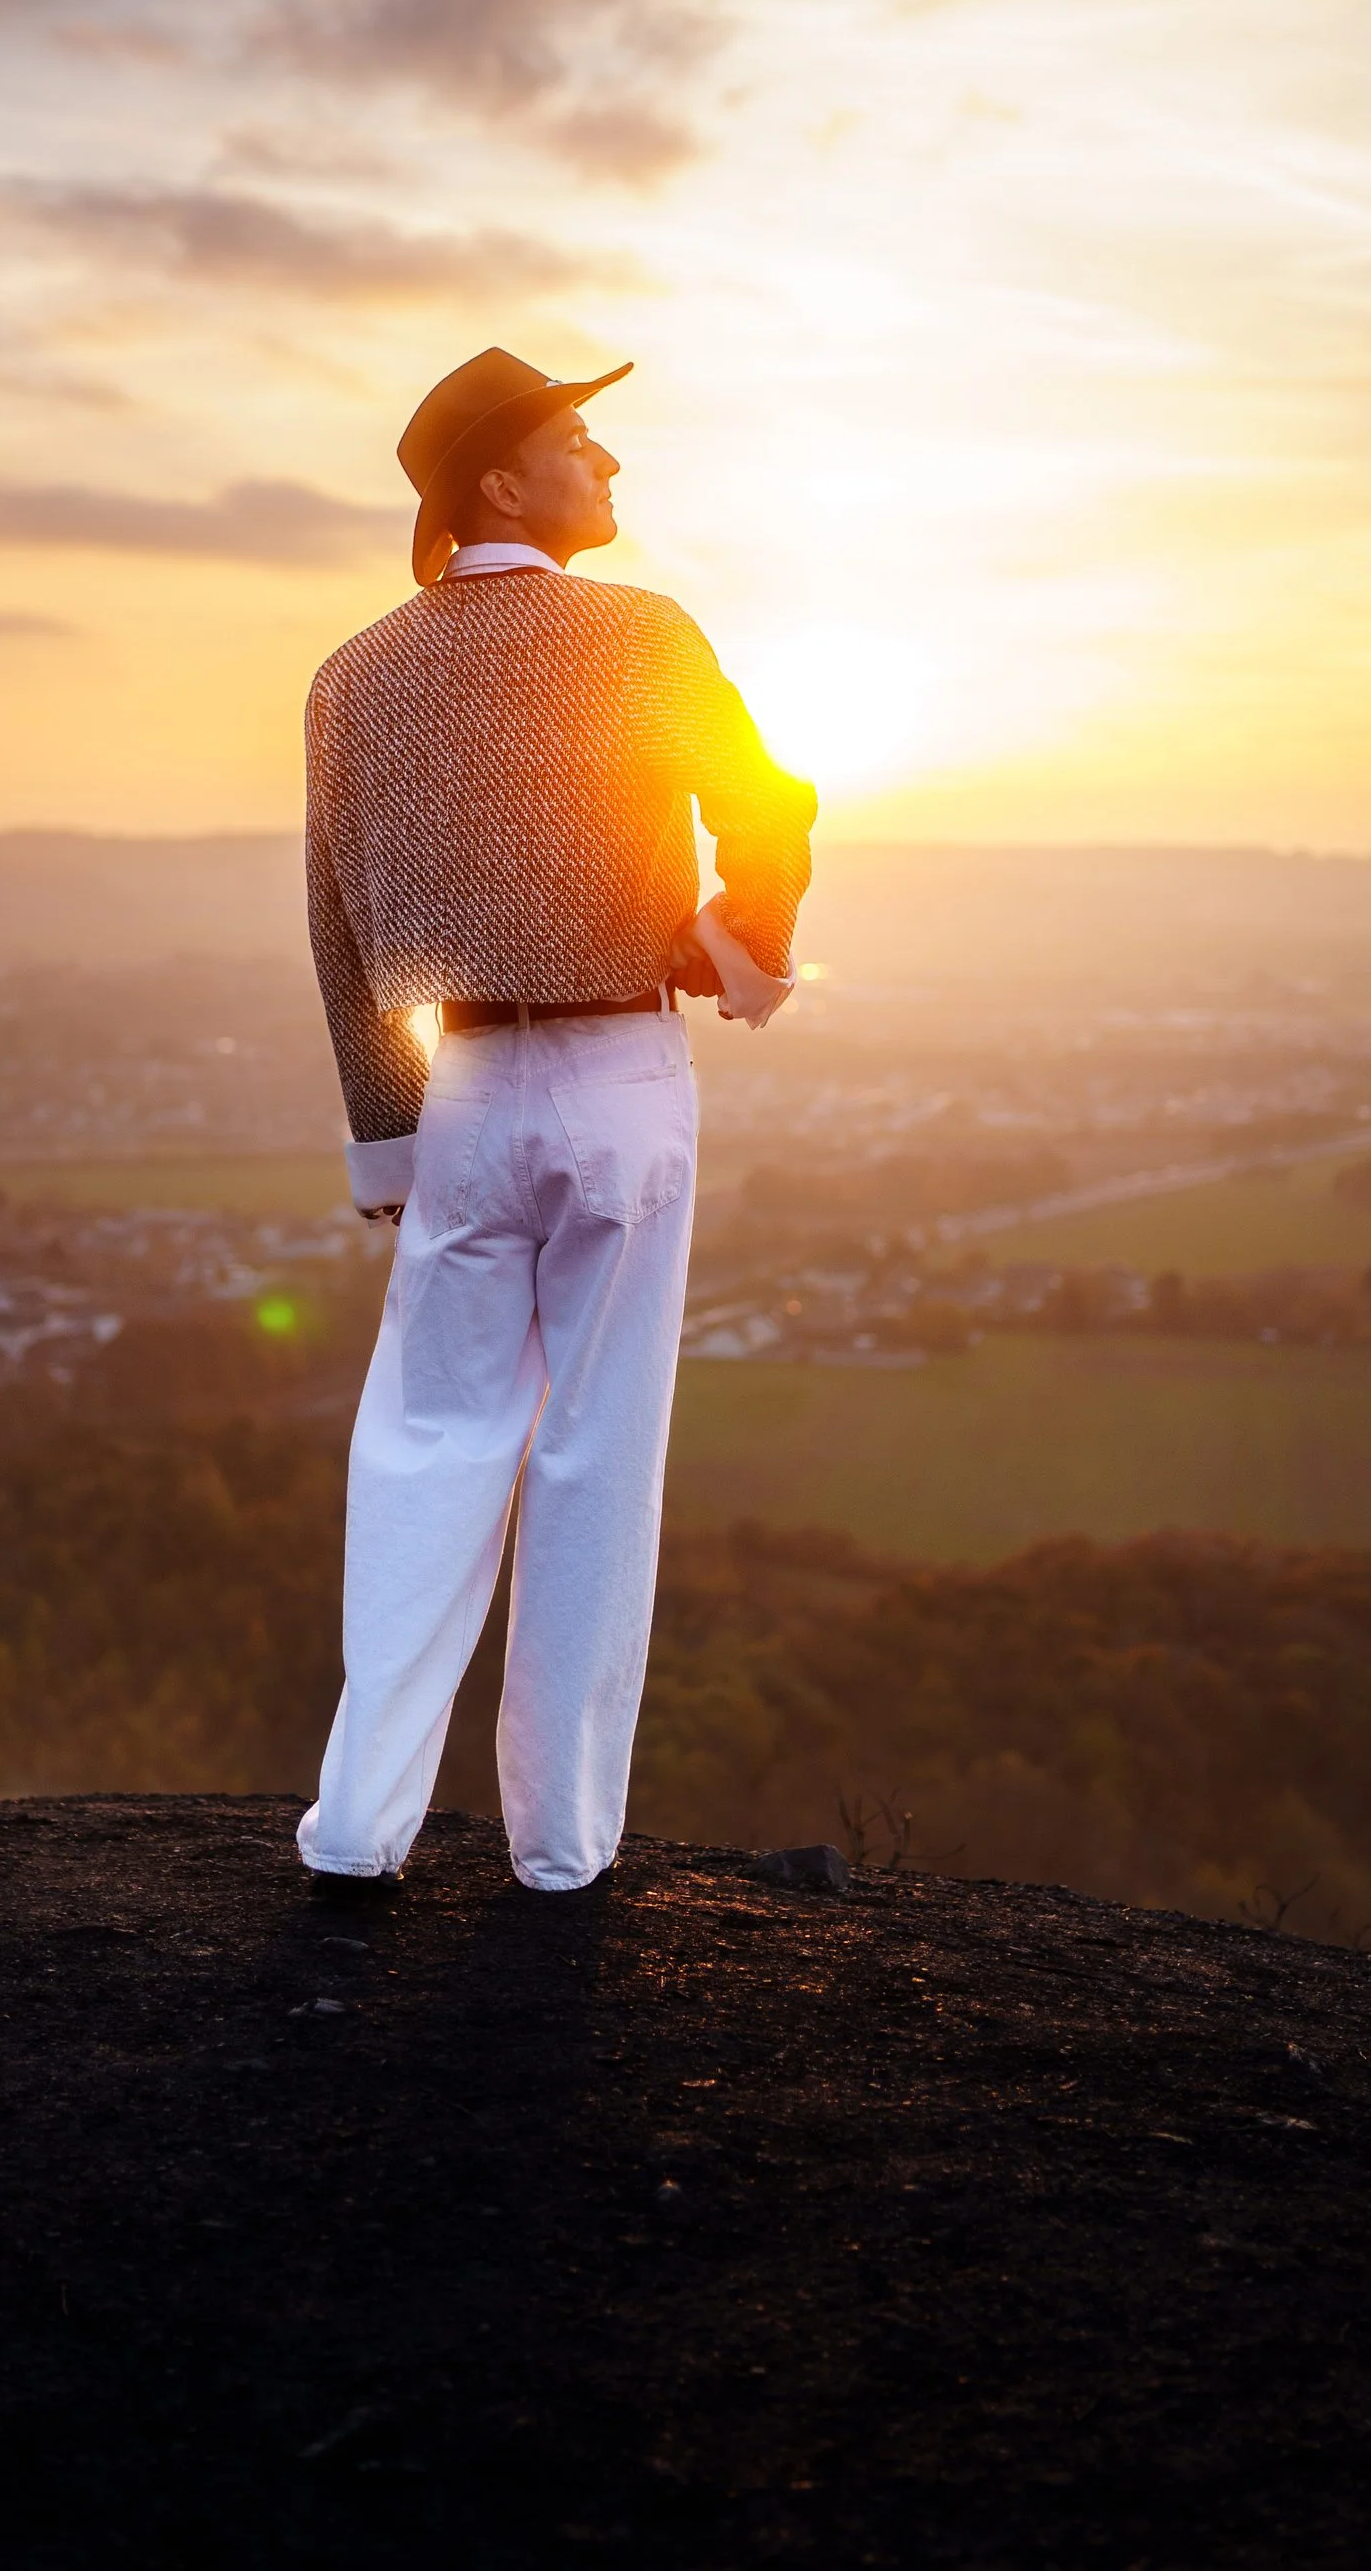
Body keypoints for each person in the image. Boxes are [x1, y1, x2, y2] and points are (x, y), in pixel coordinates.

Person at [297, 345, 815, 1894]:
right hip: (619, 1078)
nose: (613, 465)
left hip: (458, 1091)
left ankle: (356, 1828)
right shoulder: (645, 637)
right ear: (500, 482)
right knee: (597, 1456)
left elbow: (334, 927)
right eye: (584, 442)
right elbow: (773, 805)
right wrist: (746, 950)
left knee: (423, 1449)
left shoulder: (354, 673)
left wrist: (388, 1137)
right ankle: (562, 1849)